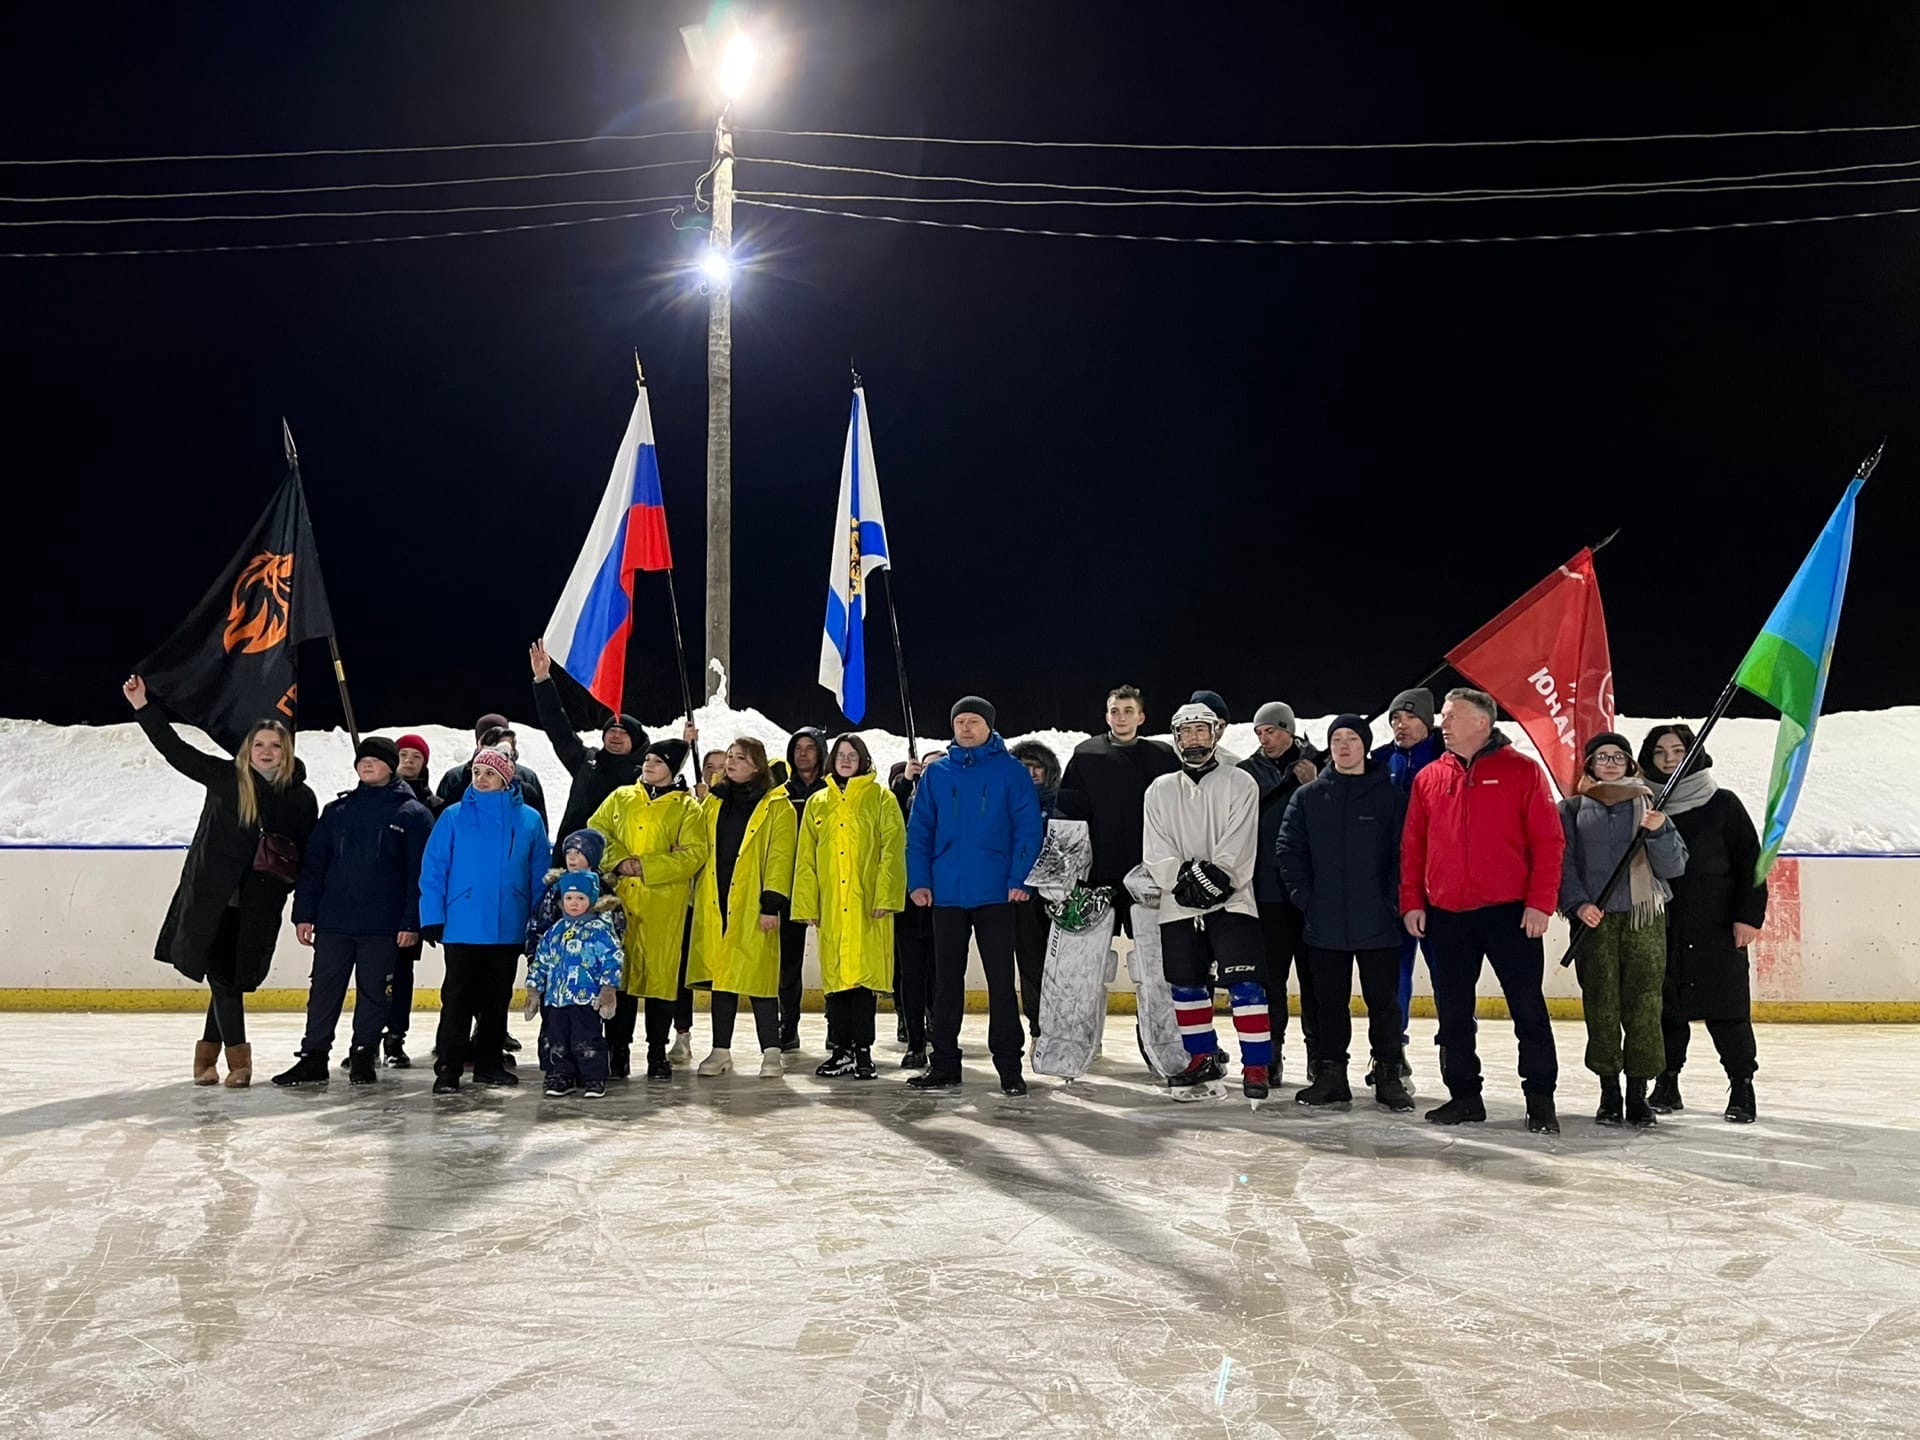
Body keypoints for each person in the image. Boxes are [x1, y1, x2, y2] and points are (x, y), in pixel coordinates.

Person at [123, 675, 318, 1089]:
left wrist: (304, 905)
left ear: (286, 752)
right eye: (259, 744)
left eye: (275, 745)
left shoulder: (301, 798)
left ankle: (204, 1060)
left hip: (259, 904)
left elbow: (307, 856)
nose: (266, 752)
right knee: (224, 979)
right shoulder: (226, 778)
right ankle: (239, 1061)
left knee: (231, 978)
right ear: (248, 749)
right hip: (212, 899)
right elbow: (176, 750)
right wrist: (143, 707)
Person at [1401, 688, 1566, 1134]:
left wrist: (1540, 903)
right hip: (1447, 915)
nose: (1444, 724)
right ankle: (1464, 1097)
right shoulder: (1430, 777)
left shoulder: (1522, 771)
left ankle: (1540, 1099)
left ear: (1482, 722)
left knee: (1527, 1009)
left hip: (1510, 914)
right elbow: (1413, 846)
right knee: (1453, 1012)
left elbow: (1549, 842)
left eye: (1452, 716)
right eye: (1444, 716)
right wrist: (1412, 901)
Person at [905, 697, 1045, 1095]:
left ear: (989, 727)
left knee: (1001, 982)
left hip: (997, 893)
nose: (966, 728)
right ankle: (944, 1063)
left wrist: (1021, 878)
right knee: (946, 983)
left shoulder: (1010, 772)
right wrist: (919, 881)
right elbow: (919, 830)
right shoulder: (937, 774)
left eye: (974, 722)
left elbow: (1028, 830)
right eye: (960, 722)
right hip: (946, 895)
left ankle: (1009, 1067)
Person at [276, 737, 434, 1087]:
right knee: (324, 990)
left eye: (375, 759)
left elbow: (420, 875)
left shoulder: (412, 815)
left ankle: (363, 1055)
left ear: (391, 766)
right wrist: (304, 913)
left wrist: (412, 922)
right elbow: (314, 866)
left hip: (383, 924)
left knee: (374, 993)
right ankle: (313, 1056)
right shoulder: (337, 812)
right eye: (362, 759)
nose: (367, 764)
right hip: (334, 921)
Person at [1276, 714, 1415, 1111]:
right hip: (1325, 920)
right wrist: (1306, 898)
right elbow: (1288, 849)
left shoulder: (1390, 797)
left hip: (1379, 921)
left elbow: (1404, 852)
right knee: (1328, 1003)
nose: (1343, 745)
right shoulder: (1309, 797)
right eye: (1337, 739)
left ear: (1365, 745)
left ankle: (1388, 1074)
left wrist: (1391, 900)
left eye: (1352, 738)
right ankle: (1331, 1076)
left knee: (1383, 1002)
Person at [1142, 701, 1273, 1101]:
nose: (1193, 739)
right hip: (1178, 904)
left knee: (1246, 985)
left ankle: (1256, 1066)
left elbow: (1240, 840)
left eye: (1201, 730)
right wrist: (1184, 880)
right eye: (1186, 732)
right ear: (1176, 737)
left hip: (1233, 902)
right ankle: (1202, 1058)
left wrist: (1218, 878)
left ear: (1215, 733)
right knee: (1186, 986)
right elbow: (1155, 848)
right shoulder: (1159, 789)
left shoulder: (1240, 782)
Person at [1638, 725, 1768, 1123]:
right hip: (1663, 925)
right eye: (1659, 752)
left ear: (1694, 754)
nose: (1669, 759)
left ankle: (1741, 1084)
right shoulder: (1642, 806)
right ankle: (1667, 1081)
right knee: (1667, 1009)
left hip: (1717, 924)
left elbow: (1752, 863)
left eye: (1678, 750)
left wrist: (1748, 916)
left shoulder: (1722, 803)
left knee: (1727, 1009)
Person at [1559, 732, 1688, 1127]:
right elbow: (1562, 863)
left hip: (1643, 918)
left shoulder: (1651, 806)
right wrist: (1578, 904)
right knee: (1600, 1004)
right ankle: (1609, 1090)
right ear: (1590, 765)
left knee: (1645, 1004)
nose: (1611, 763)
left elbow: (1674, 867)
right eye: (1602, 757)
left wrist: (1660, 831)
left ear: (1631, 763)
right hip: (1594, 921)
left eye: (1618, 756)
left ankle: (1638, 1092)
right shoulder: (1572, 809)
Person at [1054, 685, 1181, 1070]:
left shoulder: (1163, 756)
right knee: (1087, 969)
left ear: (1141, 717)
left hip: (1151, 879)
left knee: (1156, 970)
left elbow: (1178, 816)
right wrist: (1066, 875)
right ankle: (1080, 1045)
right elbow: (1068, 815)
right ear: (1106, 715)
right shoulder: (1086, 755)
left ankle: (1162, 1048)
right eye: (1114, 710)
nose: (1121, 717)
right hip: (1097, 879)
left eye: (1128, 710)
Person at [418, 746, 550, 1094]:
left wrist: (538, 922)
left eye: (490, 773)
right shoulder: (453, 816)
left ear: (507, 778)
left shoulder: (530, 820)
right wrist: (432, 914)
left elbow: (539, 875)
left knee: (496, 999)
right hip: (463, 924)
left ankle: (489, 1064)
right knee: (457, 999)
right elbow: (434, 868)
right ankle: (448, 1068)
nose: (481, 778)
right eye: (477, 772)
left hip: (509, 924)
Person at [589, 737, 707, 1079]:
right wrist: (619, 860)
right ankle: (618, 1051)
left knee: (660, 981)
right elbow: (596, 831)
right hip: (621, 902)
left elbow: (694, 854)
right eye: (648, 760)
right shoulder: (621, 797)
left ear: (673, 769)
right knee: (620, 978)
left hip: (663, 905)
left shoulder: (687, 808)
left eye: (657, 761)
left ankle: (657, 1052)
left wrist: (648, 866)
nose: (649, 766)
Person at [793, 734, 907, 1080]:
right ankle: (840, 1050)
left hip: (867, 907)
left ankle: (863, 1052)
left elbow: (892, 851)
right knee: (836, 983)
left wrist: (885, 896)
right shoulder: (818, 801)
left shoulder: (881, 799)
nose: (845, 760)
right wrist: (808, 903)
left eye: (852, 755)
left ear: (863, 760)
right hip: (832, 907)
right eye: (840, 754)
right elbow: (806, 859)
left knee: (862, 984)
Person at [688, 738, 798, 1077]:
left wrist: (771, 904)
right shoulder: (714, 802)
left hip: (753, 902)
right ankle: (720, 1050)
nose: (731, 763)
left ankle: (771, 1052)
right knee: (722, 977)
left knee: (759, 978)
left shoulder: (778, 806)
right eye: (730, 756)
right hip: (716, 898)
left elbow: (780, 858)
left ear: (757, 766)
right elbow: (698, 844)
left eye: (740, 758)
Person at [1240, 700, 1321, 1083]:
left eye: (1271, 731)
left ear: (1288, 730)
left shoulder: (1320, 765)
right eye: (1259, 733)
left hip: (1310, 893)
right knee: (1271, 979)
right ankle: (1270, 1054)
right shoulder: (1245, 773)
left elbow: (1332, 819)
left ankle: (1320, 1056)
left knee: (1315, 980)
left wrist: (1314, 785)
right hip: (1266, 892)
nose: (1265, 739)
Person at [1370, 688, 1443, 1076]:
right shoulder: (1380, 761)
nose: (1401, 724)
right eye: (1395, 718)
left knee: (1447, 973)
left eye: (1410, 717)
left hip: (1439, 887)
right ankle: (1391, 1052)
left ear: (1428, 721)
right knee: (1392, 974)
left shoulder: (1448, 759)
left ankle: (1455, 1048)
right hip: (1391, 887)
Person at [528, 639, 649, 865]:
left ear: (636, 741)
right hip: (569, 865)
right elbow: (559, 729)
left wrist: (686, 742)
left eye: (623, 732)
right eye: (611, 730)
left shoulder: (645, 776)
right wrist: (543, 680)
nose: (615, 735)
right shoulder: (587, 762)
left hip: (618, 868)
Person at [526, 829, 626, 1071]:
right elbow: (540, 924)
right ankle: (556, 1069)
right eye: (569, 852)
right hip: (557, 978)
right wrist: (534, 958)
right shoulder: (555, 889)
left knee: (587, 1027)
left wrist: (607, 977)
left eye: (579, 853)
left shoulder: (604, 890)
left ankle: (593, 1070)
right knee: (555, 1025)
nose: (572, 857)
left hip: (589, 978)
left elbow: (616, 933)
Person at [381, 731, 442, 1066]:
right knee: (372, 975)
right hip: (376, 904)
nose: (408, 761)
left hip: (411, 903)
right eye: (403, 754)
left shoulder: (433, 807)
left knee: (401, 974)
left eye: (416, 756)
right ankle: (367, 1037)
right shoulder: (376, 799)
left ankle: (395, 1038)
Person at [888, 753, 942, 1067]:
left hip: (945, 901)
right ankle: (915, 1039)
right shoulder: (906, 798)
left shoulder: (951, 800)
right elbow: (891, 818)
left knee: (942, 975)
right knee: (910, 974)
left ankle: (939, 1032)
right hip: (909, 902)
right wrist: (904, 781)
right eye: (926, 766)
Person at [777, 727, 829, 1050]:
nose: (803, 753)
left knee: (834, 957)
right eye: (798, 748)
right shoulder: (780, 792)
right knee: (788, 961)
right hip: (789, 883)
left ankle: (836, 1025)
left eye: (810, 747)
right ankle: (788, 1023)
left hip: (827, 882)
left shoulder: (834, 790)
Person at [1008, 739, 1062, 1043]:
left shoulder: (1064, 804)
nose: (1030, 774)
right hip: (1021, 897)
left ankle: (1067, 1027)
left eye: (1036, 767)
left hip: (1059, 896)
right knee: (1030, 963)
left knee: (1062, 966)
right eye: (1023, 767)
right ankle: (1038, 1027)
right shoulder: (1006, 805)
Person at [434, 714, 549, 834]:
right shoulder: (456, 778)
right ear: (480, 743)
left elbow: (539, 831)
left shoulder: (527, 780)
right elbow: (442, 828)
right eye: (491, 741)